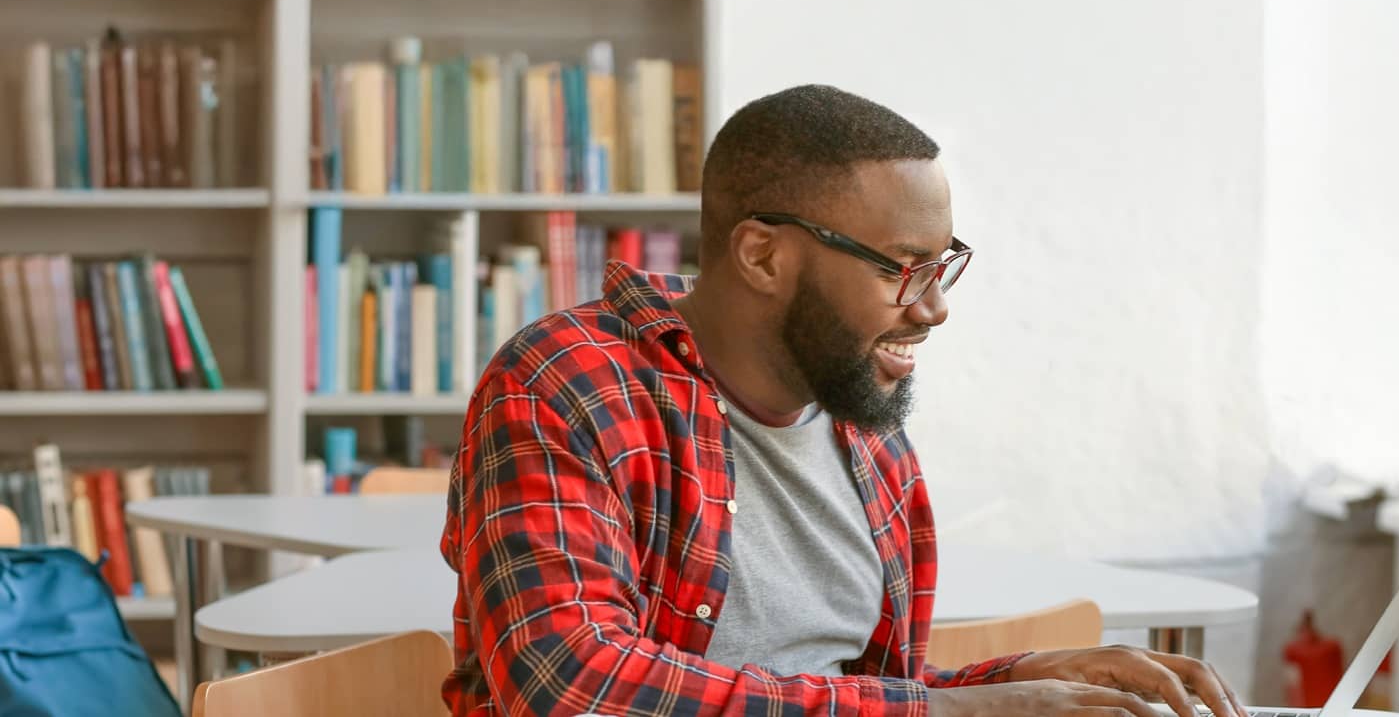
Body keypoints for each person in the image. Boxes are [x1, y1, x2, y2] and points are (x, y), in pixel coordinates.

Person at [440, 84, 1248, 717]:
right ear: (762, 255)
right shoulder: (565, 382)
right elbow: (571, 688)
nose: (931, 309)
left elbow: (850, 689)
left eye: (942, 266)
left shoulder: (864, 427)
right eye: (901, 266)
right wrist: (956, 709)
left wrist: (1028, 681)